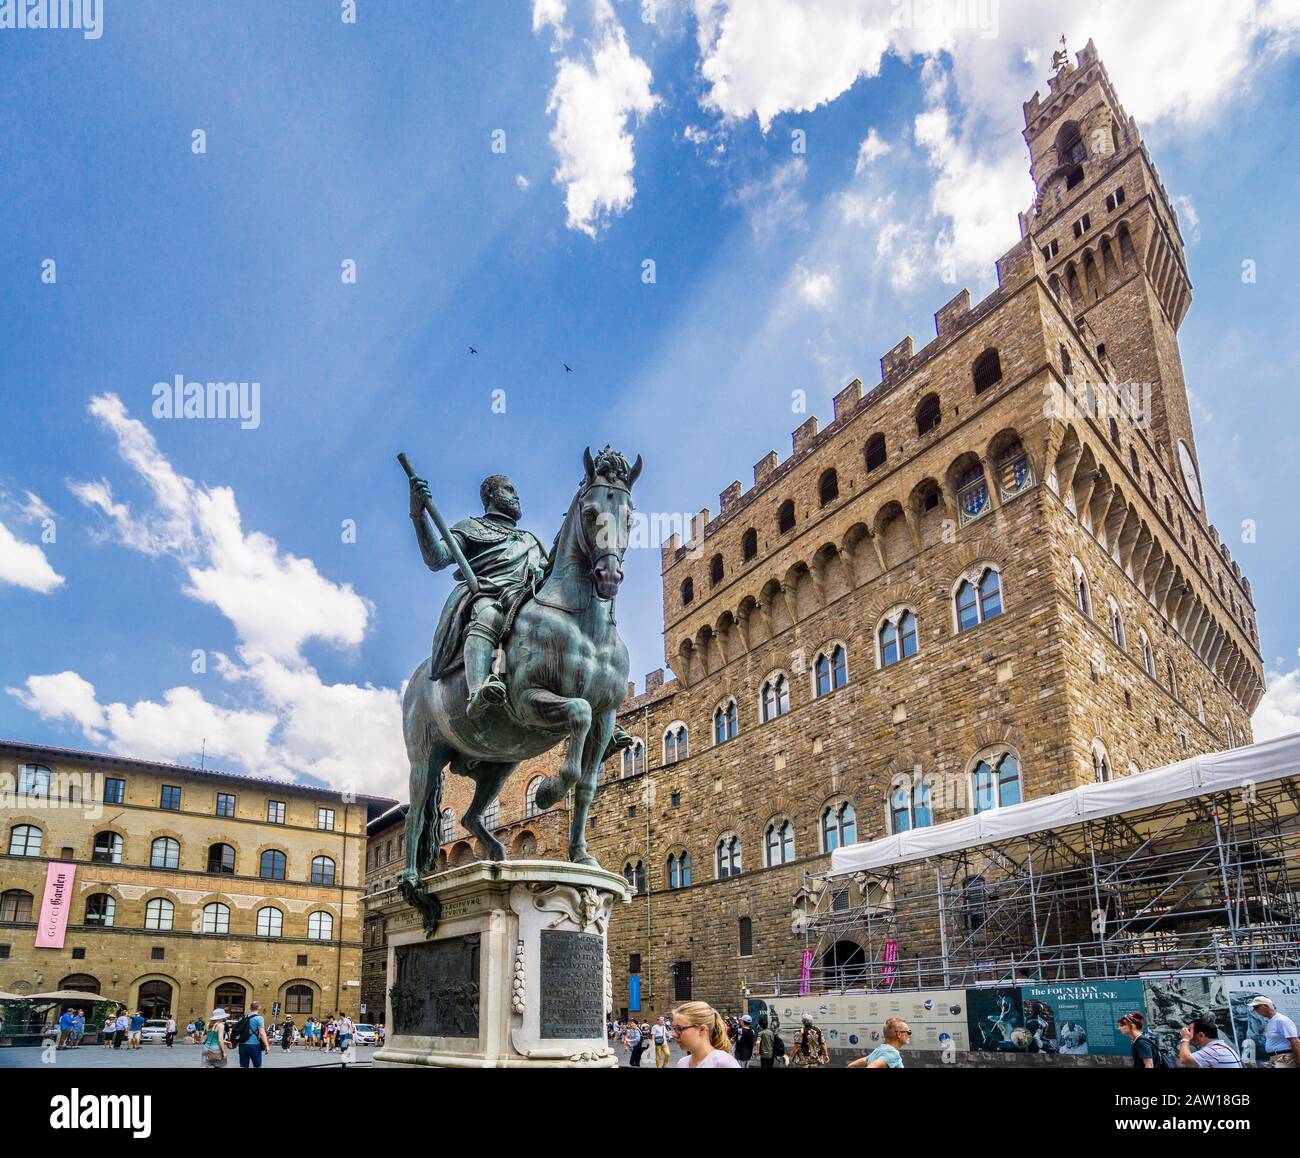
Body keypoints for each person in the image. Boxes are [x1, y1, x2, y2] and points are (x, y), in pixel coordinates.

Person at [672, 1001, 741, 1069]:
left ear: (702, 1030)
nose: (673, 1034)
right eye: (674, 1028)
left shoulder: (723, 1063)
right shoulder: (682, 1063)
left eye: (680, 1028)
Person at [1249, 995, 1300, 1068]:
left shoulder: (1281, 1020)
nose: (1255, 1011)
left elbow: (1295, 1041)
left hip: (1284, 1057)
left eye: (1256, 1007)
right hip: (1274, 1058)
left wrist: (1298, 1062)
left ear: (1265, 1006)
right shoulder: (1271, 1021)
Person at [1177, 1019, 1242, 1068]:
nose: (1187, 1032)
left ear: (1201, 1035)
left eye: (1189, 1030)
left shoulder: (1215, 1051)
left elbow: (1184, 1061)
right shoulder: (1220, 1047)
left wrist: (1185, 1038)